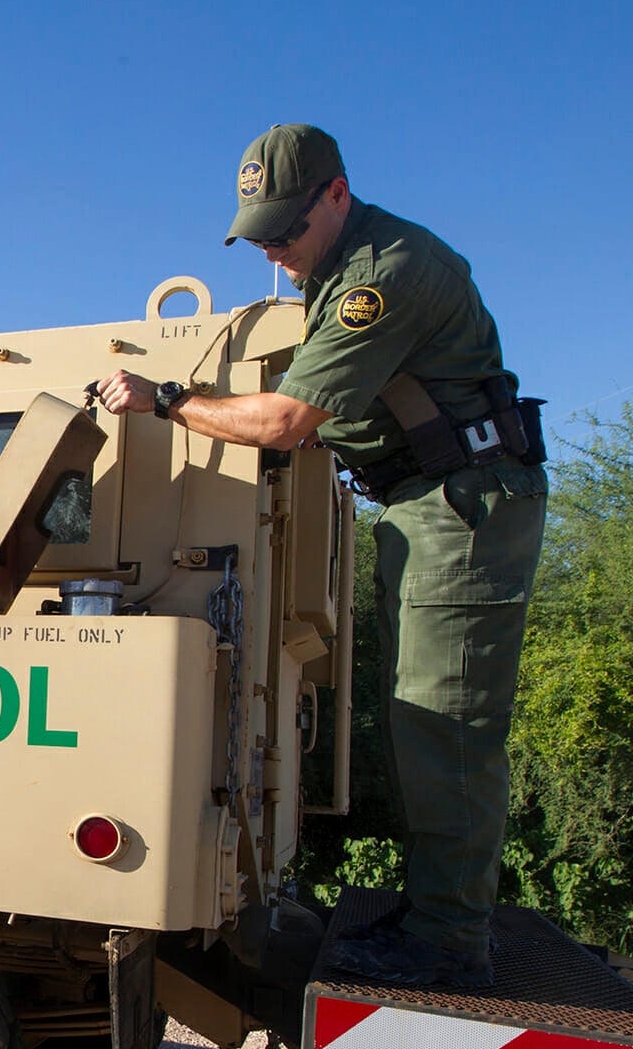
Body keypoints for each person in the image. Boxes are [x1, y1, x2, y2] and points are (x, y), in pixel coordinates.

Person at [94, 124, 547, 989]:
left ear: (338, 194)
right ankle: (436, 919)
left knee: (444, 724)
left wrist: (168, 400)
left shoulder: (384, 274)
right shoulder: (340, 273)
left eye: (287, 230)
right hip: (432, 505)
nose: (275, 248)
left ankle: (451, 944)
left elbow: (287, 420)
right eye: (260, 234)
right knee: (418, 719)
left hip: (466, 507)